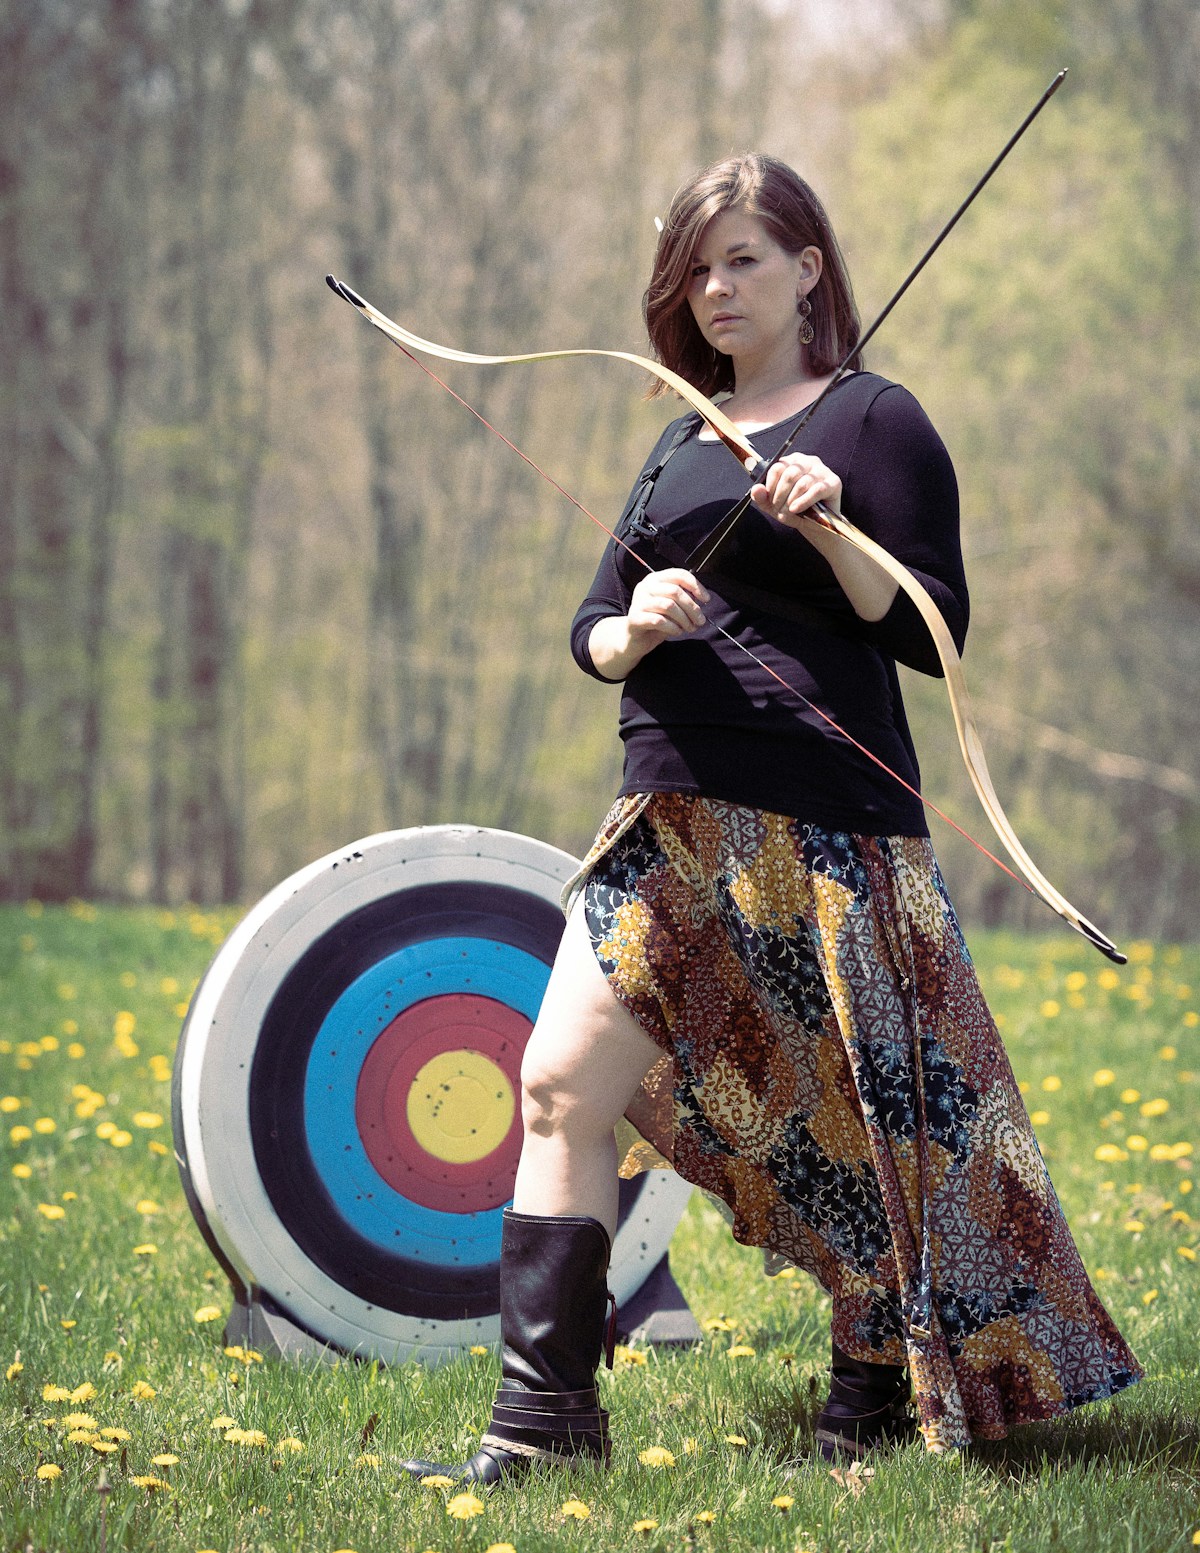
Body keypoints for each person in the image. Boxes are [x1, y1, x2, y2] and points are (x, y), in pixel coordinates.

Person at [399, 152, 1141, 1483]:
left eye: (743, 257)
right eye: (696, 264)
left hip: (825, 826)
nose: (715, 286)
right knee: (560, 1079)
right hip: (665, 813)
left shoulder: (876, 420)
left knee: (860, 1127)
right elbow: (591, 624)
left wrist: (837, 526)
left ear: (808, 268)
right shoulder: (677, 436)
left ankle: (870, 1374)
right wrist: (639, 623)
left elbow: (927, 624)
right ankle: (544, 1426)